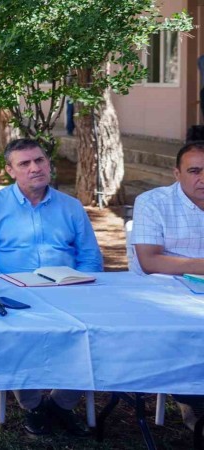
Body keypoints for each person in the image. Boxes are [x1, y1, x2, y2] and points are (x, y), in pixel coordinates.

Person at [0, 138, 103, 437]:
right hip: (14, 295)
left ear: (48, 163)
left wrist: (80, 284)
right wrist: (12, 285)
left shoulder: (71, 206)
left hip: (69, 292)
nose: (35, 168)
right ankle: (33, 405)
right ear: (10, 170)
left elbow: (91, 258)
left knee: (89, 336)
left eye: (39, 160)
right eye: (25, 163)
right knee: (14, 339)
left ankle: (61, 405)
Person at [129, 131, 204, 433]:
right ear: (177, 173)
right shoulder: (153, 202)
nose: (203, 178)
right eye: (194, 171)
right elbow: (149, 261)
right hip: (165, 297)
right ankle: (194, 402)